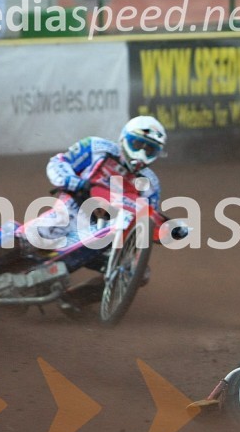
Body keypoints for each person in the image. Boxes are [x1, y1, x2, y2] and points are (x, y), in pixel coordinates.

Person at [43, 116, 186, 308]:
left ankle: (74, 300)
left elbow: (146, 224)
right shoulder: (96, 147)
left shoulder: (150, 182)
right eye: (137, 145)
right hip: (72, 210)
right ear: (124, 139)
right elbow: (58, 162)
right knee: (32, 239)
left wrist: (169, 231)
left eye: (149, 149)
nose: (142, 154)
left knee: (138, 272)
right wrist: (71, 181)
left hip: (106, 235)